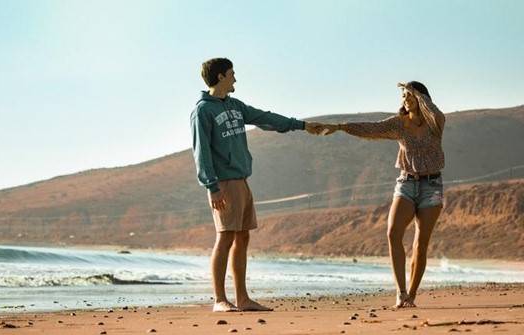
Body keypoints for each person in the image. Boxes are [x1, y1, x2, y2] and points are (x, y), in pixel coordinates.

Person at [191, 57, 321, 312]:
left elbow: (265, 118)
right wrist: (212, 186)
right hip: (223, 183)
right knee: (225, 237)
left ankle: (242, 299)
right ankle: (219, 300)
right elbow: (201, 152)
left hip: (241, 180)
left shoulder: (235, 105)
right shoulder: (203, 111)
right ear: (220, 77)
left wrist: (301, 125)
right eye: (232, 74)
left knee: (243, 237)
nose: (235, 78)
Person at [319, 82, 445, 308]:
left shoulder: (435, 124)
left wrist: (418, 93)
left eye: (410, 95)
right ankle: (401, 292)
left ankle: (412, 296)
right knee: (392, 233)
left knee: (420, 244)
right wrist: (340, 126)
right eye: (403, 95)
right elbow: (371, 128)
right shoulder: (399, 124)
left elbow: (434, 112)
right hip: (406, 183)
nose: (405, 99)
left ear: (421, 97)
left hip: (431, 187)